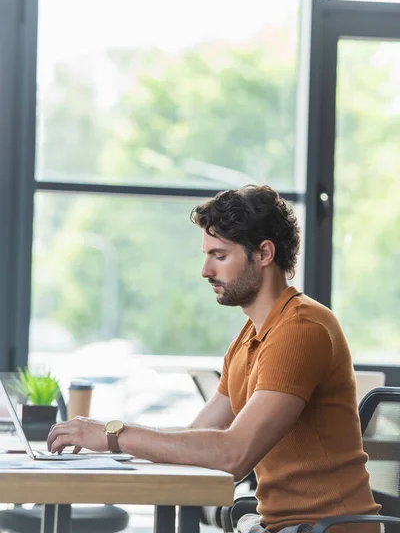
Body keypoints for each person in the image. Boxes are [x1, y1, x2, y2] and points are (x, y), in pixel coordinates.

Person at [47, 185, 379, 532]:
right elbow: (200, 435)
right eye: (206, 255)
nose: (205, 270)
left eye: (219, 256)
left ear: (264, 253)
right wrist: (104, 434)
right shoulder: (251, 335)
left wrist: (114, 435)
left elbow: (233, 455)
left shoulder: (301, 329)